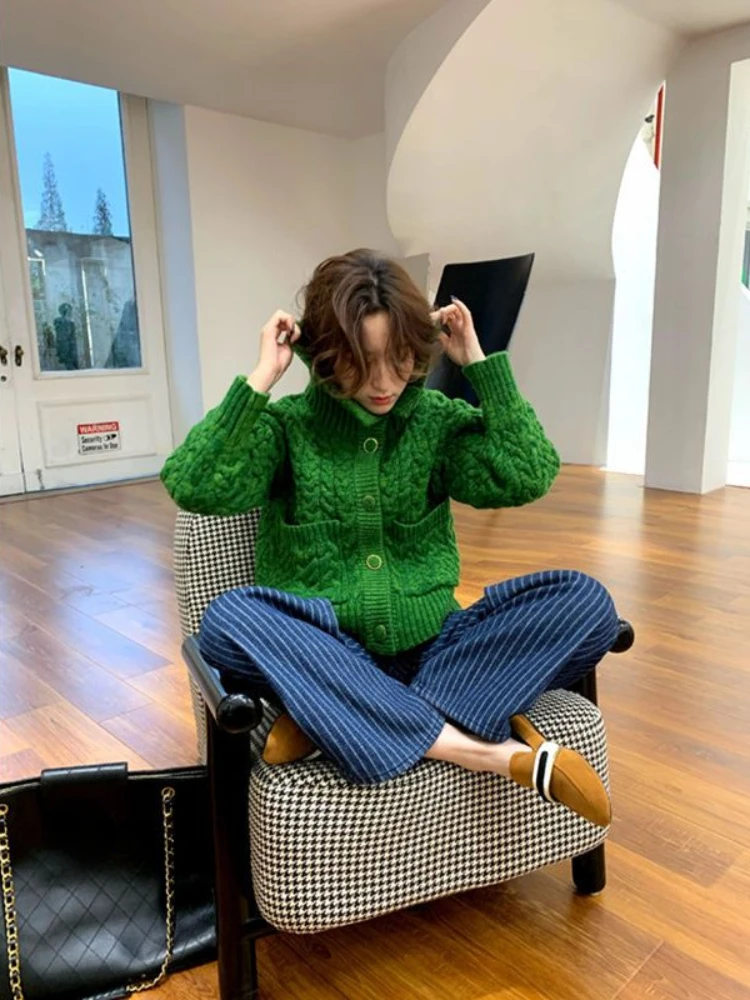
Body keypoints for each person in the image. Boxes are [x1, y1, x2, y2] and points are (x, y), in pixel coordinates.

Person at [161, 249, 620, 827]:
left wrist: (480, 364)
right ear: (322, 356)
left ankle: (333, 717)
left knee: (586, 603)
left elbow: (527, 472)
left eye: (400, 357)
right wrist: (262, 376)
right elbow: (193, 482)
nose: (384, 383)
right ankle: (490, 752)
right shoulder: (287, 429)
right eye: (360, 362)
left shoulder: (434, 421)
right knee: (230, 621)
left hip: (438, 647)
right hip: (330, 649)